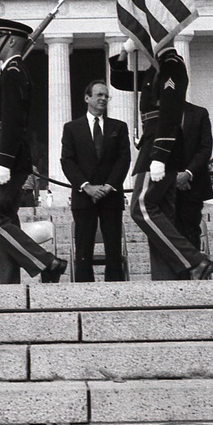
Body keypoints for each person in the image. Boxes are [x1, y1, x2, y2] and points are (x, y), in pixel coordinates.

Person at [0, 17, 67, 284]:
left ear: (11, 41)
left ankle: (47, 262)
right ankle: (7, 284)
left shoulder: (13, 73)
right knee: (5, 221)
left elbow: (16, 123)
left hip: (8, 160)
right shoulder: (10, 73)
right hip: (6, 157)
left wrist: (3, 162)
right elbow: (2, 123)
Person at [110, 40, 213, 280]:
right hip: (156, 145)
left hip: (158, 148)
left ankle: (194, 260)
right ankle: (165, 280)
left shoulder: (171, 65)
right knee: (161, 217)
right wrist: (124, 53)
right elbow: (120, 81)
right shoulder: (156, 68)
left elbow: (169, 112)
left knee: (142, 207)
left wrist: (159, 156)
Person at [60, 80, 132, 281]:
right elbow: (67, 161)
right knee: (83, 249)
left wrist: (109, 185)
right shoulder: (71, 128)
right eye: (99, 95)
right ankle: (84, 293)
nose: (103, 99)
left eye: (106, 96)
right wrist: (86, 186)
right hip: (84, 197)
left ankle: (115, 292)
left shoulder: (119, 126)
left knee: (113, 249)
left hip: (111, 197)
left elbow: (124, 159)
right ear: (87, 98)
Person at [170, 102, 213, 276]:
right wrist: (174, 176)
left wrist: (187, 174)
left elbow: (205, 147)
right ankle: (178, 277)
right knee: (173, 232)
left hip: (194, 183)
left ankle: (194, 274)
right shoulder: (159, 113)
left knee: (191, 230)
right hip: (168, 185)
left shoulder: (200, 113)